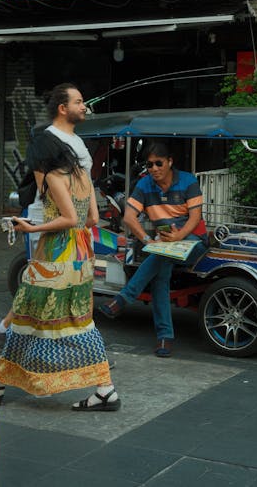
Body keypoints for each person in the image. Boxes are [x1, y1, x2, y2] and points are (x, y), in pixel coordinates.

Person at [0, 131, 120, 411]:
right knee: (79, 321)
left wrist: (32, 227)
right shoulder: (81, 173)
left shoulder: (53, 176)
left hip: (55, 256)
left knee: (25, 312)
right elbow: (91, 219)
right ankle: (105, 389)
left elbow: (69, 217)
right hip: (82, 254)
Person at [0, 83, 94, 338]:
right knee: (40, 290)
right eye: (78, 101)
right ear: (63, 108)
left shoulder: (78, 142)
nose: (84, 106)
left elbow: (86, 185)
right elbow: (45, 190)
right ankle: (7, 331)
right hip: (51, 226)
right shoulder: (46, 140)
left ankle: (68, 349)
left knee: (67, 293)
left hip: (76, 229)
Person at [98, 142, 208, 358]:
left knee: (162, 256)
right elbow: (129, 217)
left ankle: (124, 299)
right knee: (161, 270)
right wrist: (148, 240)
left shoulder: (188, 180)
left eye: (159, 163)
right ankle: (164, 338)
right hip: (164, 243)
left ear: (170, 162)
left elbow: (195, 218)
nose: (154, 169)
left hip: (194, 239)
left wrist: (178, 236)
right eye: (150, 165)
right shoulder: (145, 184)